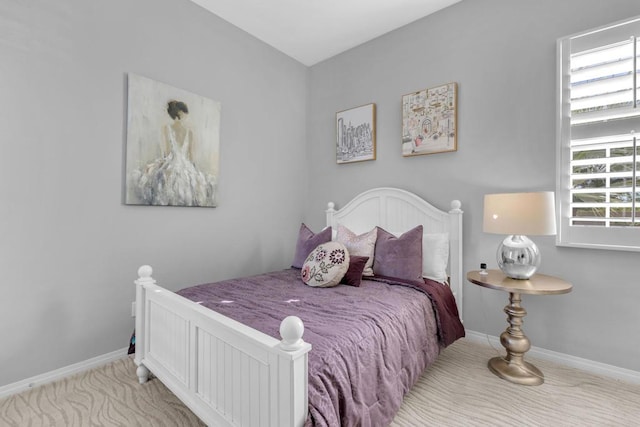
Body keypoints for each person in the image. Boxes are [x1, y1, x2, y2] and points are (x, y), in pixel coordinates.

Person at [135, 100, 216, 206]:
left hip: (171, 162)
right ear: (180, 114)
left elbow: (167, 152)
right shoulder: (189, 132)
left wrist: (162, 163)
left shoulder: (166, 129)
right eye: (185, 113)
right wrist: (192, 168)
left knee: (160, 181)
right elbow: (190, 156)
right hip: (186, 165)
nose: (186, 116)